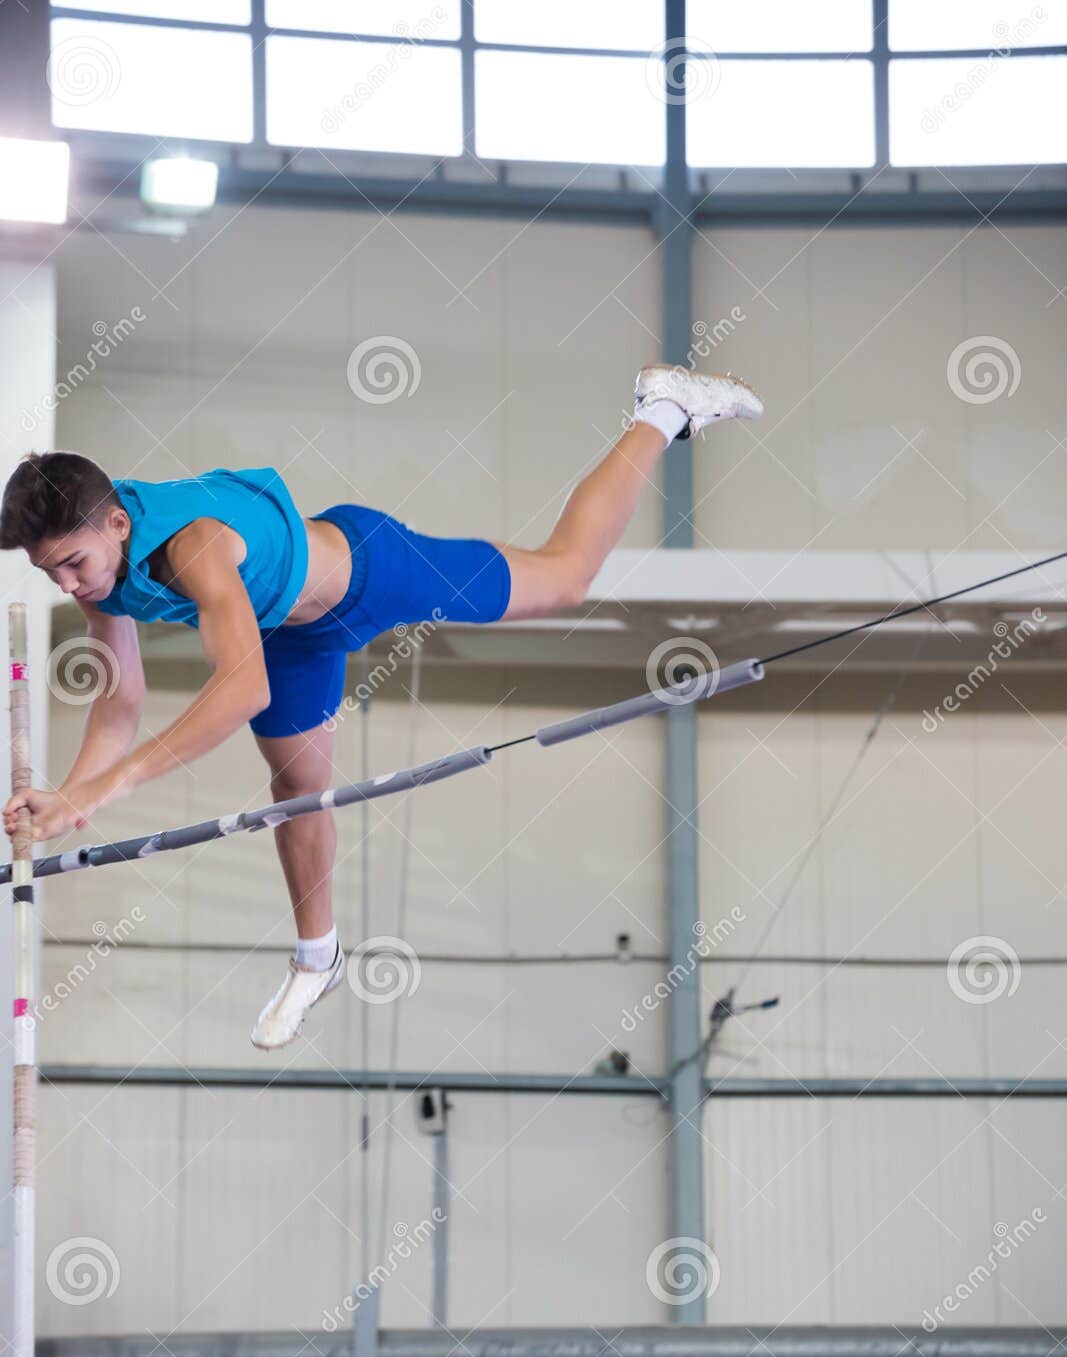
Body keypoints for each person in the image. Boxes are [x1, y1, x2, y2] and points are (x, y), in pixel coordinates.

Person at [1, 364, 762, 1049]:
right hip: (292, 632)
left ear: (118, 525)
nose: (67, 584)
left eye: (72, 564)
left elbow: (242, 688)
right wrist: (70, 798)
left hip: (369, 571)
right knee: (297, 790)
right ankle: (318, 957)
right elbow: (121, 698)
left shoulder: (192, 546)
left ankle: (661, 410)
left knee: (562, 579)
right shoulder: (104, 568)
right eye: (49, 572)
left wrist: (112, 786)